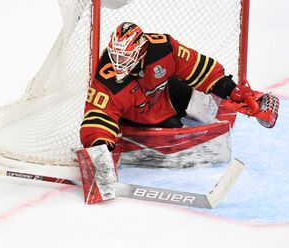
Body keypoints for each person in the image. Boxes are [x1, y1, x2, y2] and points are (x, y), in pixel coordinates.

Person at [79, 22, 277, 151]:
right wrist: (99, 144)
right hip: (136, 114)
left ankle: (219, 106)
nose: (118, 61)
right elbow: (97, 114)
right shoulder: (106, 78)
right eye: (116, 54)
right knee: (176, 137)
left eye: (125, 56)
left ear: (141, 50)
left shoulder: (163, 48)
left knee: (203, 104)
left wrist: (231, 90)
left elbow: (197, 66)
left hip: (162, 96)